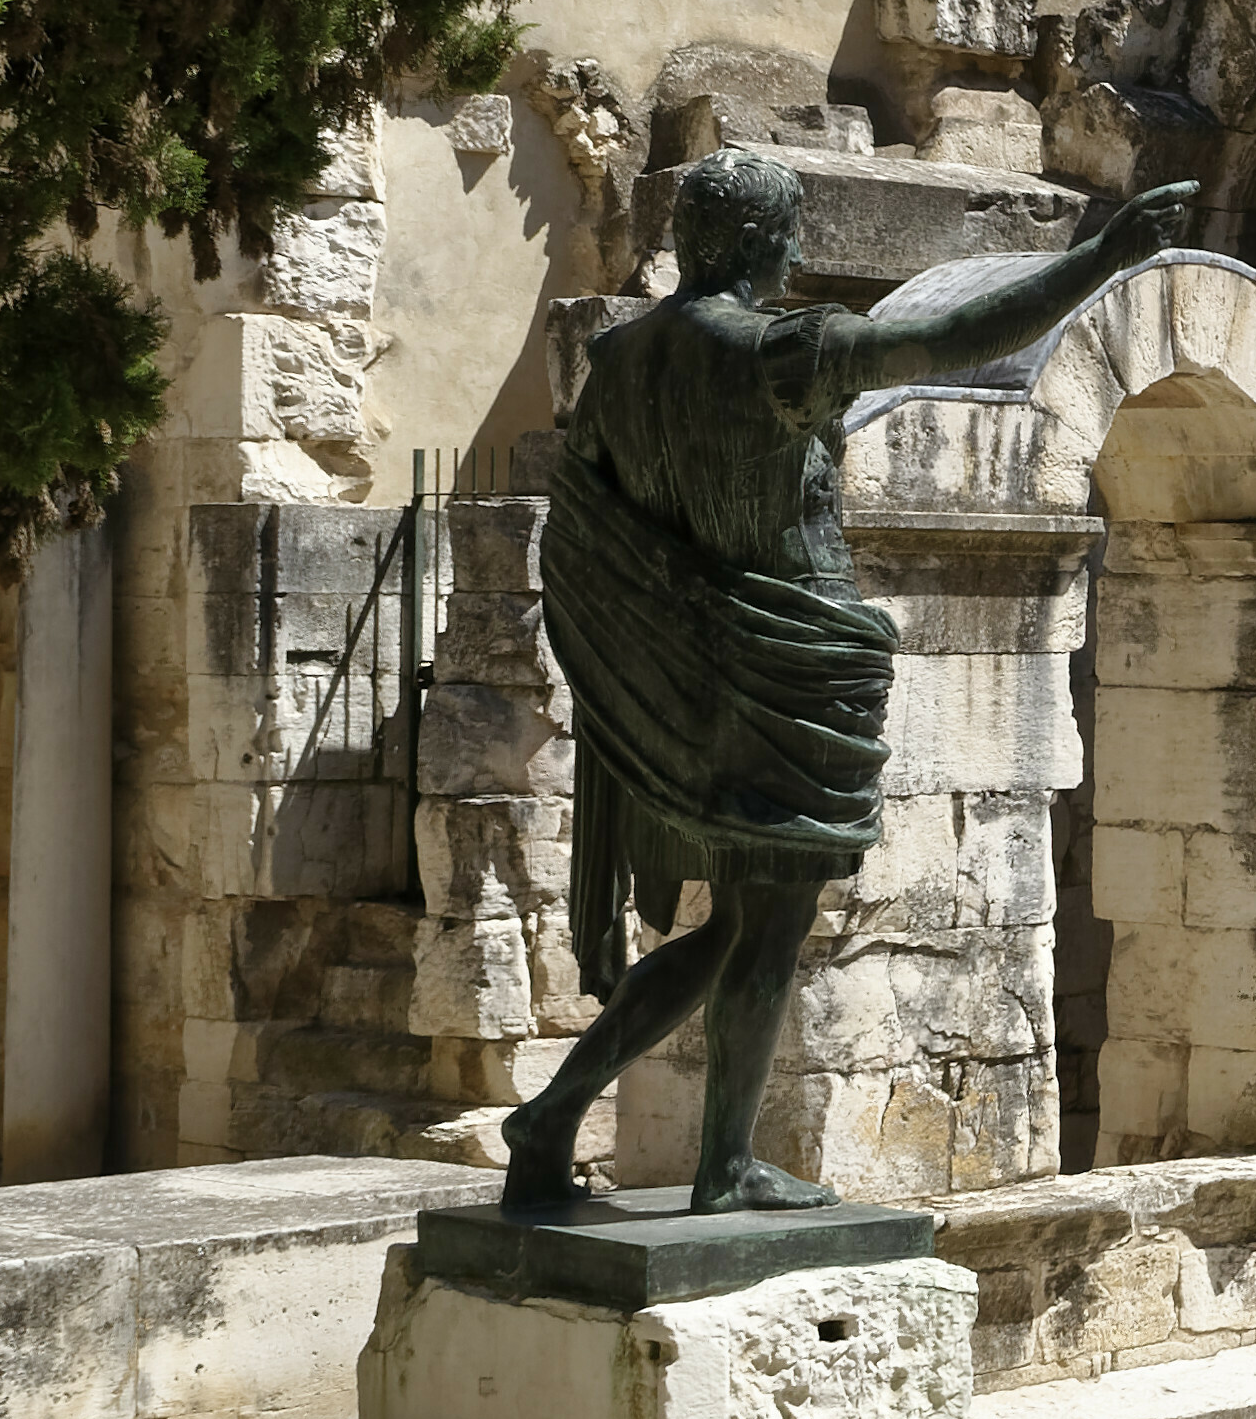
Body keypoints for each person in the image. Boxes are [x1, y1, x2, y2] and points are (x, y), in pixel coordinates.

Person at [501, 150, 1193, 1211]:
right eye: (787, 238)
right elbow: (955, 339)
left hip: (692, 672)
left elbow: (590, 527)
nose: (795, 255)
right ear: (749, 243)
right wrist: (1102, 257)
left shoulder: (622, 357)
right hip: (789, 658)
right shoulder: (783, 351)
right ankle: (715, 1168)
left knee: (737, 926)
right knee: (762, 925)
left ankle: (559, 1121)